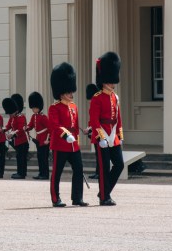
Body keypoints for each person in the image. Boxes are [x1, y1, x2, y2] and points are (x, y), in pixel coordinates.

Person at [48, 62, 88, 207]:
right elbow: (55, 125)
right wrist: (66, 135)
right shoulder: (54, 107)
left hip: (73, 145)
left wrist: (83, 132)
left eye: (72, 91)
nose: (72, 94)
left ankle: (77, 198)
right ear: (62, 92)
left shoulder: (73, 107)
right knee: (56, 173)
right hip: (60, 144)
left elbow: (74, 125)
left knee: (79, 169)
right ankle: (55, 199)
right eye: (69, 92)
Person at [89, 52, 125, 206]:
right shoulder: (97, 98)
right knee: (103, 168)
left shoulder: (115, 97)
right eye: (110, 81)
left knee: (119, 164)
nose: (112, 84)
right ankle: (104, 197)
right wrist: (101, 137)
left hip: (113, 136)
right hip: (101, 136)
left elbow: (118, 118)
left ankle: (104, 191)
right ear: (103, 81)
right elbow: (94, 120)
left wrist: (120, 134)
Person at [26, 91, 50, 180]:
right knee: (40, 158)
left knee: (44, 158)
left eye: (34, 107)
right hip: (38, 139)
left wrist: (48, 139)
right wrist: (27, 128)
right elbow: (31, 125)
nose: (33, 109)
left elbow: (50, 129)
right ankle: (41, 173)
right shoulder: (34, 116)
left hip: (44, 140)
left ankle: (45, 174)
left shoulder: (43, 117)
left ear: (38, 107)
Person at [9, 94, 30, 179]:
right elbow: (8, 125)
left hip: (23, 140)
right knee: (19, 157)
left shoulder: (21, 117)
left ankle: (22, 173)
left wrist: (13, 134)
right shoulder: (13, 117)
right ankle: (19, 172)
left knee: (22, 158)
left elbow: (21, 129)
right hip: (17, 141)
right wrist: (4, 130)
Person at [85, 84, 100, 180]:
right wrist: (89, 129)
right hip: (95, 132)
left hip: (99, 133)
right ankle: (97, 172)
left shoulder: (96, 105)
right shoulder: (93, 105)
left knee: (99, 155)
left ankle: (99, 173)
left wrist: (89, 129)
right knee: (98, 155)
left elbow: (97, 120)